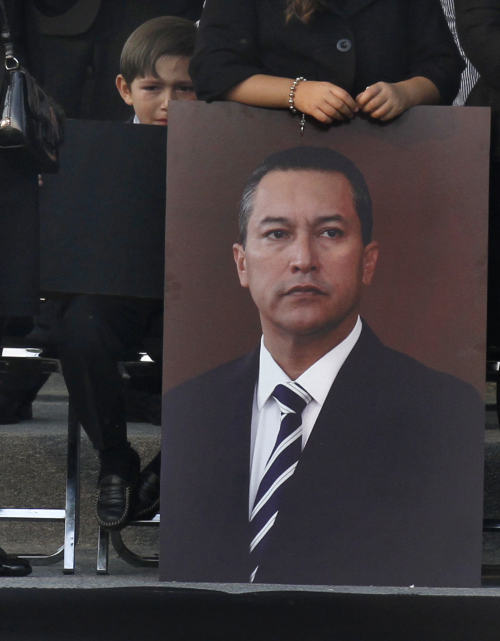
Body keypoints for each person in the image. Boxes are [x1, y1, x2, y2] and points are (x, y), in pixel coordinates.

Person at [159, 146, 483, 586]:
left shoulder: (442, 409)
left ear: (367, 262)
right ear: (242, 263)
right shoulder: (190, 407)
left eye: (329, 233)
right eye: (277, 234)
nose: (303, 259)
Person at [57, 15, 197, 531]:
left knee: (229, 346)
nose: (168, 102)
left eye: (185, 88)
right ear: (124, 89)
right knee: (80, 331)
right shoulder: (97, 154)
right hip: (113, 296)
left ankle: (174, 463)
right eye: (152, 88)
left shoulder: (222, 154)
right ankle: (115, 457)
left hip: (188, 300)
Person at [190, 0, 464, 126]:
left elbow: (443, 66)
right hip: (268, 149)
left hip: (389, 152)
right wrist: (297, 93)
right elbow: (213, 70)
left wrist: (405, 93)